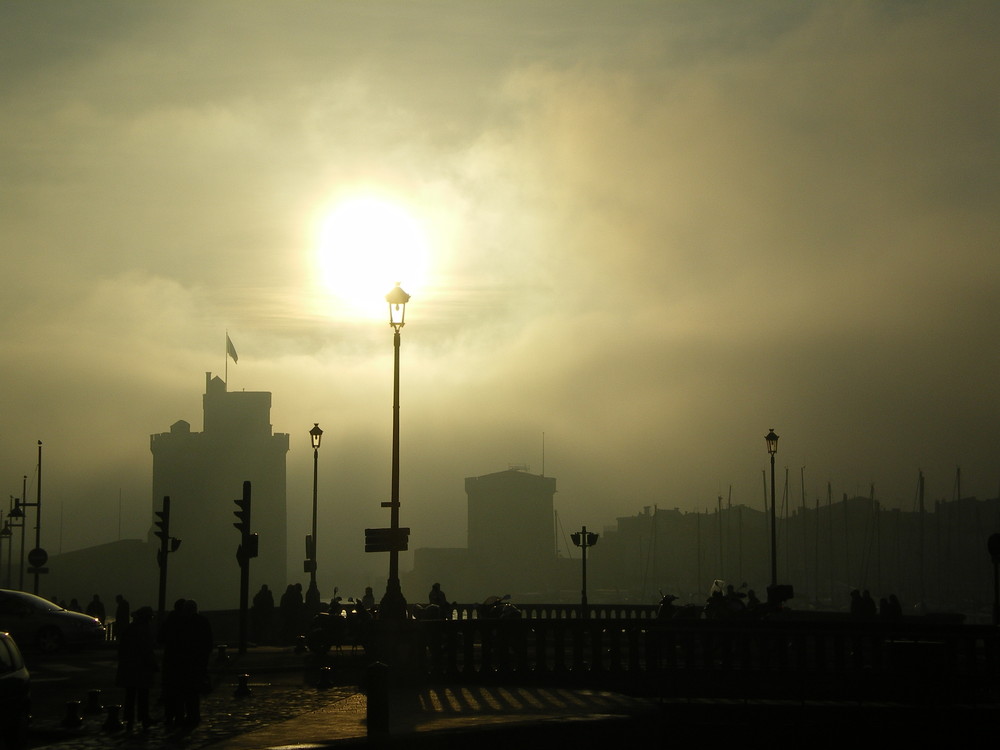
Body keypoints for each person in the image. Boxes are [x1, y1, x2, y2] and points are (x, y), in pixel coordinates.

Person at [116, 606, 157, 731]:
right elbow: (147, 650)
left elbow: (122, 648)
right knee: (143, 694)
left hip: (129, 666)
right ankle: (143, 718)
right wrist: (153, 664)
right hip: (142, 666)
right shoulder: (145, 630)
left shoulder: (130, 628)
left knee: (130, 695)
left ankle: (129, 719)